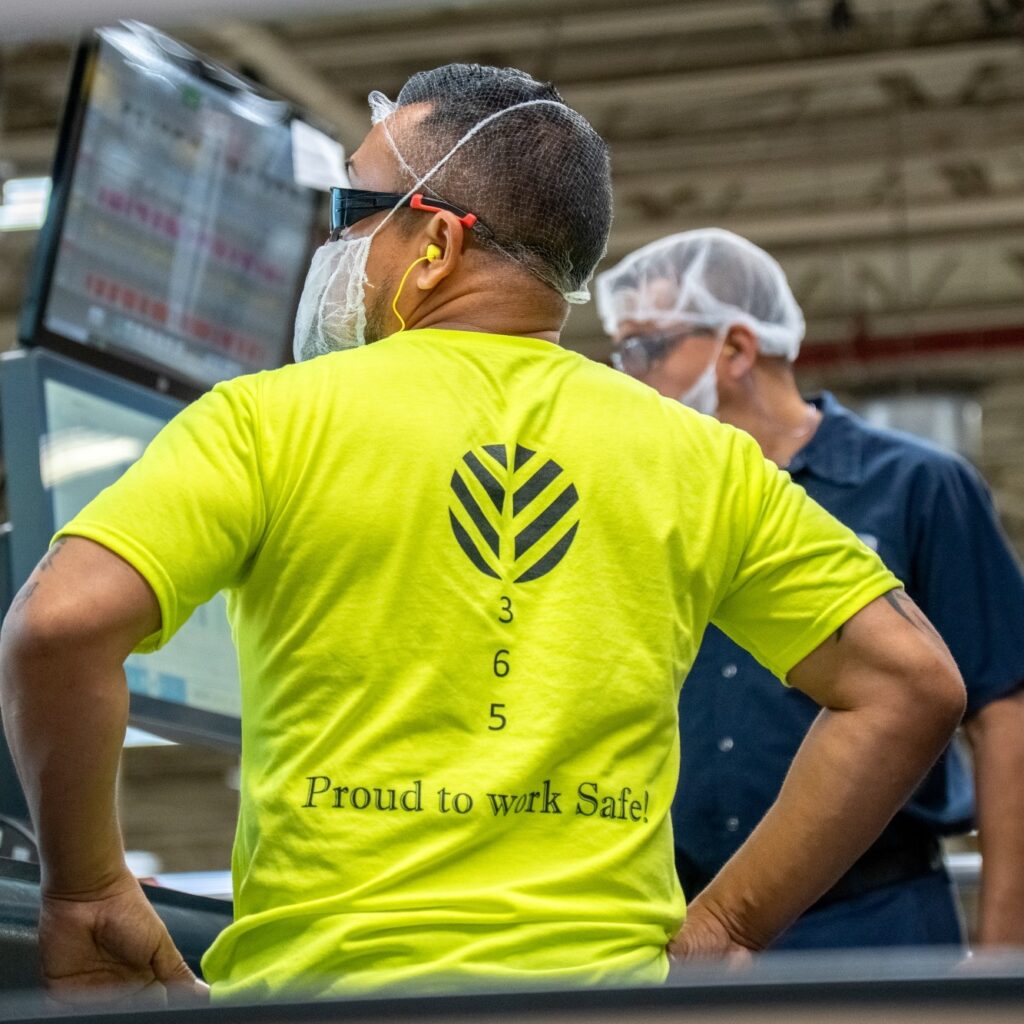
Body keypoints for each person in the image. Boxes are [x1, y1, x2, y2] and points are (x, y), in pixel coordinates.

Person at [0, 66, 964, 1004]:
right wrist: (729, 926)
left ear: (437, 243)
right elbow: (910, 685)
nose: (332, 245)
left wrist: (85, 893)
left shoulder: (266, 422)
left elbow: (59, 624)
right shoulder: (697, 458)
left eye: (349, 212)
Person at [596, 228, 1024, 951]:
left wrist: (1003, 948)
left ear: (735, 349)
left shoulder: (916, 486)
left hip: (874, 918)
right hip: (687, 928)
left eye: (646, 348)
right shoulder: (649, 501)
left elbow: (1003, 719)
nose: (629, 375)